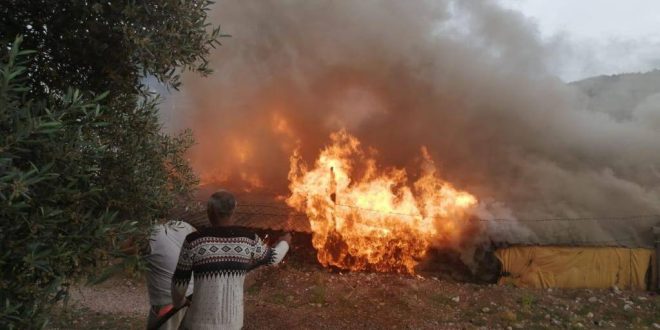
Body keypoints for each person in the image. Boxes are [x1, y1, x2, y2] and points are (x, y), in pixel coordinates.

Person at [172, 190, 291, 330]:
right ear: (233, 211)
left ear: (209, 212)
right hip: (232, 324)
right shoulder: (248, 240)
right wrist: (285, 242)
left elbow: (179, 285)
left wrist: (180, 303)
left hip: (197, 323)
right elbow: (274, 258)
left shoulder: (193, 241)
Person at [145, 220, 196, 330]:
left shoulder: (147, 235)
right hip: (191, 296)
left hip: (168, 302)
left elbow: (118, 250)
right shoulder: (184, 225)